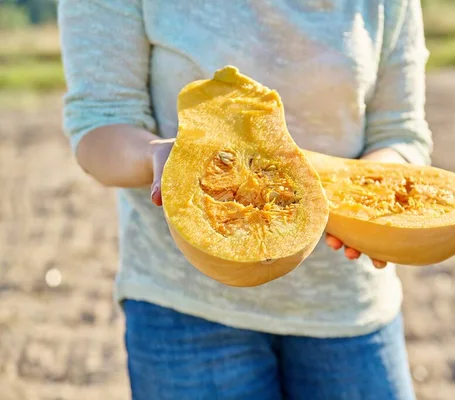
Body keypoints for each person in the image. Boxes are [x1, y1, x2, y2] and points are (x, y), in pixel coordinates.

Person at [58, 0, 433, 399]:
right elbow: (99, 124)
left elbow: (401, 134)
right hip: (185, 312)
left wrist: (363, 203)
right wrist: (158, 156)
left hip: (349, 305)